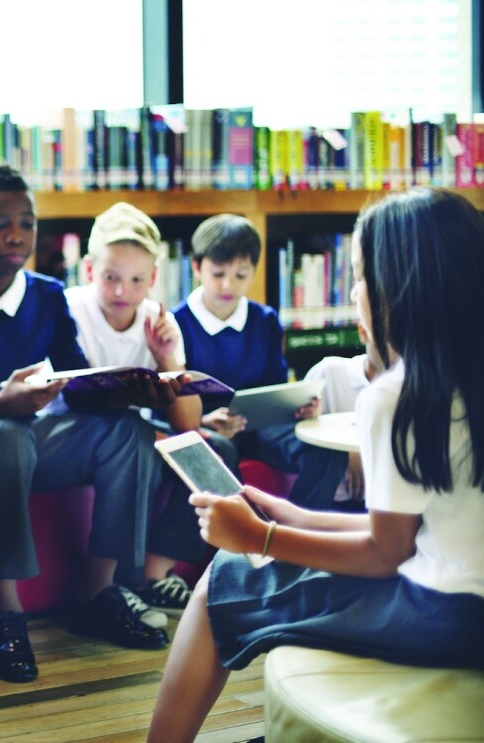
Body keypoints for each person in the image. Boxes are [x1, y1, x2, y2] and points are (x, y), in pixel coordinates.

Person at [146, 187, 484, 742]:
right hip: (466, 599)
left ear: (394, 290)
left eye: (358, 277)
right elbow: (415, 532)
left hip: (444, 613)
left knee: (222, 581)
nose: (354, 293)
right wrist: (291, 516)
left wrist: (260, 537)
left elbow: (385, 552)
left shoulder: (398, 394)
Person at [0, 165, 181, 685]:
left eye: (27, 223)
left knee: (128, 430)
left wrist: (128, 389)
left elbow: (74, 379)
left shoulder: (47, 293)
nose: (16, 235)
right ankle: (6, 613)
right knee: (8, 436)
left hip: (34, 438)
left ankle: (97, 591)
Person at [55, 202, 208, 616]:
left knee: (212, 451)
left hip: (133, 441)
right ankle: (111, 585)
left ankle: (154, 575)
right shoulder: (67, 310)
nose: (122, 291)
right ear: (89, 271)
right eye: (110, 278)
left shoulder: (159, 322)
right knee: (131, 432)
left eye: (136, 279)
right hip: (75, 439)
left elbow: (188, 424)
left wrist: (167, 361)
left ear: (154, 279)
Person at [173, 214, 347, 510]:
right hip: (207, 431)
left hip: (260, 428)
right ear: (196, 267)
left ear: (254, 272)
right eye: (218, 273)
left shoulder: (264, 321)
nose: (228, 285)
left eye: (241, 275)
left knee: (327, 451)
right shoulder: (177, 324)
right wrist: (202, 420)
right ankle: (240, 542)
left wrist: (299, 407)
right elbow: (167, 402)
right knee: (219, 450)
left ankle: (293, 535)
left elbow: (275, 388)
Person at [302, 321, 384, 508]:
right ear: (363, 332)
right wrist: (347, 452)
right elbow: (293, 431)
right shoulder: (329, 372)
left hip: (386, 505)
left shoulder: (414, 384)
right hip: (334, 502)